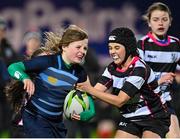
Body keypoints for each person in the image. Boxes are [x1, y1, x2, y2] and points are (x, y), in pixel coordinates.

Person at [76, 27, 173, 138]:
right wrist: (78, 103)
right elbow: (94, 93)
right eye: (110, 48)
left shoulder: (139, 69)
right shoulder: (112, 68)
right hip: (130, 118)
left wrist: (89, 89)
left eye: (117, 47)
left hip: (154, 118)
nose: (112, 52)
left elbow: (120, 101)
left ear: (128, 48)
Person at [7, 25, 95, 138]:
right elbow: (13, 67)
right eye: (78, 47)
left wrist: (86, 114)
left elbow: (89, 100)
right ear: (65, 47)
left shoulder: (80, 73)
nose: (82, 51)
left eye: (85, 48)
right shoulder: (47, 62)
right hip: (35, 118)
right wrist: (25, 78)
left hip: (57, 124)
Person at [137, 2, 180, 137]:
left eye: (164, 19)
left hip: (164, 101)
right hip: (143, 103)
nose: (160, 23)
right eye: (155, 20)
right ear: (149, 23)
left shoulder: (176, 44)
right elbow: (135, 79)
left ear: (170, 22)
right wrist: (158, 81)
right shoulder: (142, 45)